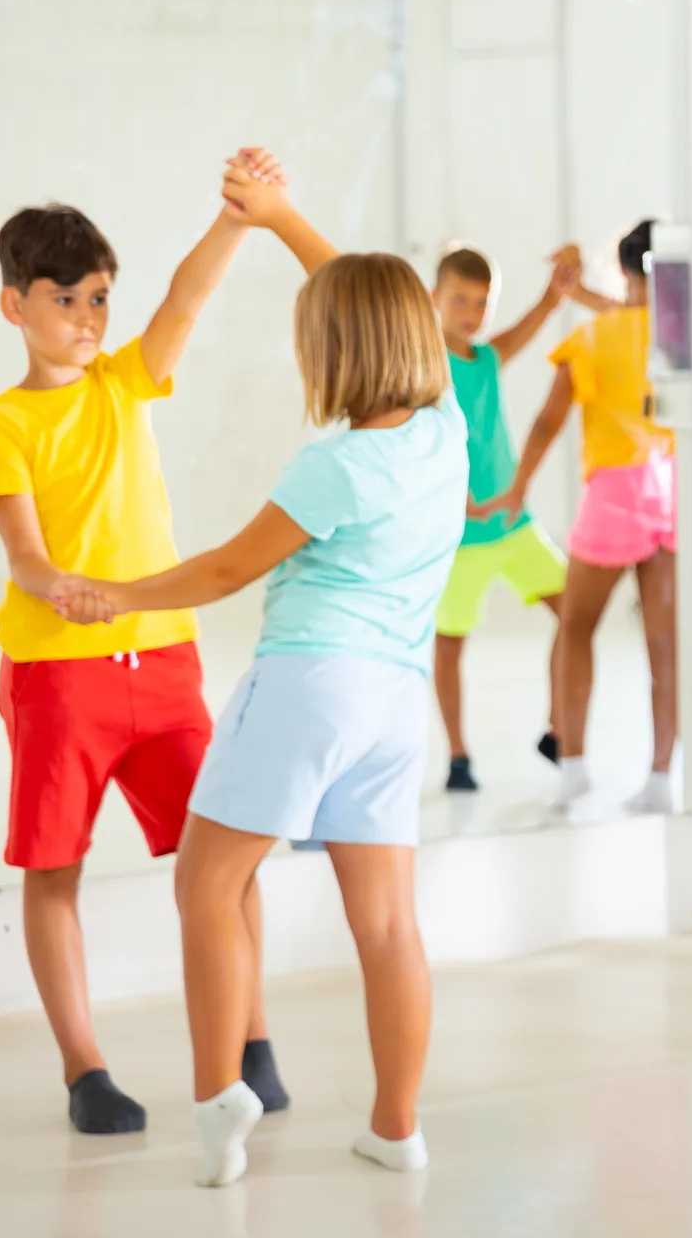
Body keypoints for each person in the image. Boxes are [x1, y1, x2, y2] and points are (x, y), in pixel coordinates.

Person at [55, 156, 468, 1183]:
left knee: (206, 878)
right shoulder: (443, 429)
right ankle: (397, 1124)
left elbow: (229, 567)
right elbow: (371, 301)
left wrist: (117, 593)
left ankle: (217, 1097)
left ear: (330, 349)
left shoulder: (334, 463)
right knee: (386, 921)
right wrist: (282, 220)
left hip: (308, 682)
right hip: (394, 703)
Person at [0, 162, 289, 1134]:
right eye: (66, 299)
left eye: (98, 299)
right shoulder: (8, 418)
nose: (88, 317)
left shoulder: (127, 380)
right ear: (14, 305)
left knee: (226, 855)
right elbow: (28, 554)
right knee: (53, 867)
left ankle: (252, 1043)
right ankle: (87, 1070)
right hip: (56, 672)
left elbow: (188, 296)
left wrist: (235, 219)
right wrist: (66, 593)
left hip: (165, 663)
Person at [477, 222, 676, 817]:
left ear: (624, 270)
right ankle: (663, 777)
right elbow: (635, 314)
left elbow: (546, 422)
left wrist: (516, 489)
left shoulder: (593, 338)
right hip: (667, 491)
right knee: (664, 645)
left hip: (612, 495)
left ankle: (574, 768)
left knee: (575, 628)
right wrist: (581, 291)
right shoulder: (678, 336)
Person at [426, 243, 582, 792]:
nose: (470, 313)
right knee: (450, 643)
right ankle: (458, 754)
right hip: (461, 537)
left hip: (513, 526)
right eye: (459, 300)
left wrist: (554, 292)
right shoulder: (428, 368)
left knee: (574, 611)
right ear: (434, 300)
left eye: (480, 302)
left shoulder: (486, 359)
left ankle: (557, 728)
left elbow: (526, 329)